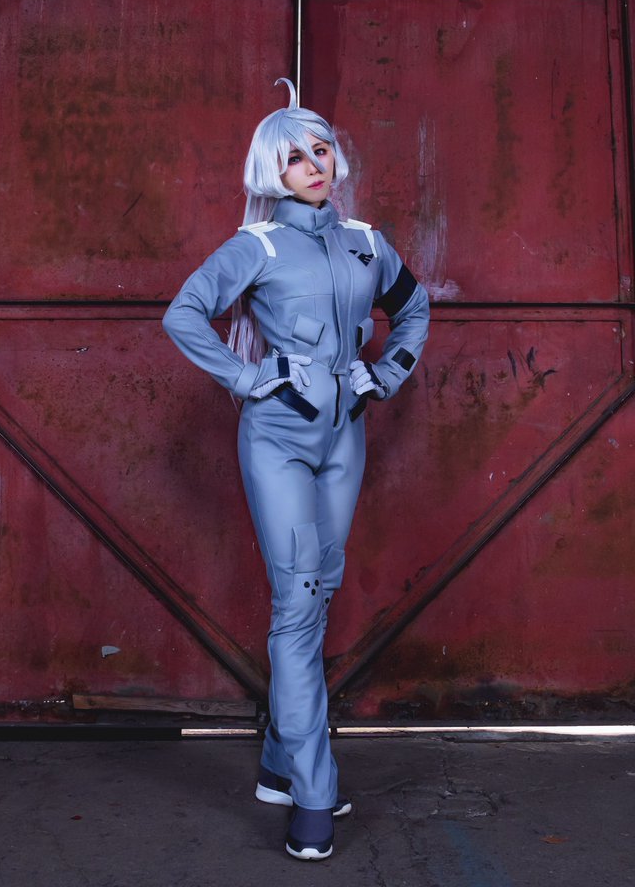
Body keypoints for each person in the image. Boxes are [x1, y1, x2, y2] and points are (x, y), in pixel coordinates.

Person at [162, 79, 429, 860]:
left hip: (345, 438)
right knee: (297, 604)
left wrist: (386, 372)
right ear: (269, 171)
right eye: (294, 157)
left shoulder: (367, 241)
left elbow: (412, 311)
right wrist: (249, 378)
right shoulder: (257, 247)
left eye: (320, 150)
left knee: (320, 593)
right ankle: (313, 792)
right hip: (277, 440)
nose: (314, 165)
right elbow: (184, 313)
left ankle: (280, 761)